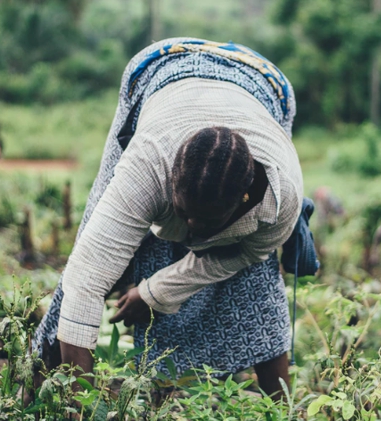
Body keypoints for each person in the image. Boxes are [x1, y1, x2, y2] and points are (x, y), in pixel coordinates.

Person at [33, 38, 310, 399]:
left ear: (243, 200)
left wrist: (155, 292)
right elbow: (86, 279)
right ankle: (42, 376)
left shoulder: (278, 198)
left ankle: (280, 407)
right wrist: (82, 403)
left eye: (205, 222)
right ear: (169, 182)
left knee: (256, 281)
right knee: (93, 241)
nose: (191, 230)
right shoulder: (148, 164)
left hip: (265, 84)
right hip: (162, 69)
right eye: (184, 214)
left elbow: (239, 256)